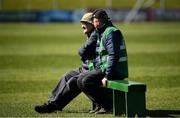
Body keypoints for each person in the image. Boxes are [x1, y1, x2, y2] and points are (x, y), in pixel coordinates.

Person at [34, 13, 97, 113]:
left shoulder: (95, 35)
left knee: (73, 81)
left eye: (85, 23)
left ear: (92, 24)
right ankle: (51, 102)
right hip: (87, 67)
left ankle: (54, 105)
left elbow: (82, 52)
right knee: (67, 75)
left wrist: (83, 53)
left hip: (93, 70)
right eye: (81, 23)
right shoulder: (91, 34)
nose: (82, 25)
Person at [77, 9, 128, 114]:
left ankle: (107, 106)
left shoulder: (111, 32)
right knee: (80, 79)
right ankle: (100, 105)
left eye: (99, 21)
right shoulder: (101, 31)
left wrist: (107, 76)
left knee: (86, 81)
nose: (97, 23)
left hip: (115, 70)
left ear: (105, 20)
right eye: (95, 21)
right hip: (106, 68)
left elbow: (114, 56)